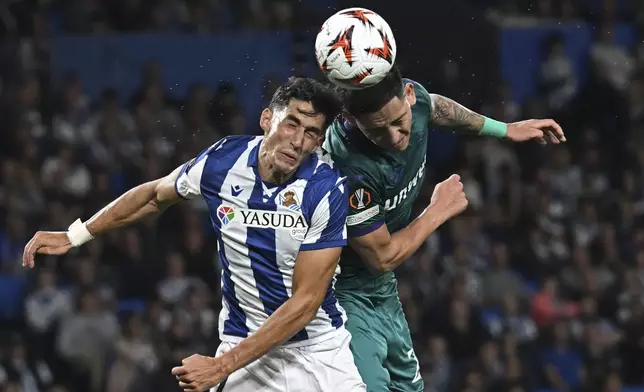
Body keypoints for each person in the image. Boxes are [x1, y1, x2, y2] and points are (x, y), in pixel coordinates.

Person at [22, 77, 365, 392]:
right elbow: (155, 195)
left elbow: (305, 304)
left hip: (317, 351)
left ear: (319, 141)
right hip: (245, 346)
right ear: (266, 120)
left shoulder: (325, 189)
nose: (297, 140)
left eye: (310, 132)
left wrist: (222, 365)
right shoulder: (223, 160)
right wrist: (76, 235)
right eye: (291, 123)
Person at [323, 66, 566, 391]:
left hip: (382, 290)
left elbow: (436, 107)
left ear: (408, 95)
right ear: (354, 122)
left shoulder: (416, 100)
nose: (395, 138)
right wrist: (437, 211)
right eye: (378, 132)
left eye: (398, 122)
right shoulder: (349, 166)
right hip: (342, 293)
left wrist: (505, 129)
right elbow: (380, 256)